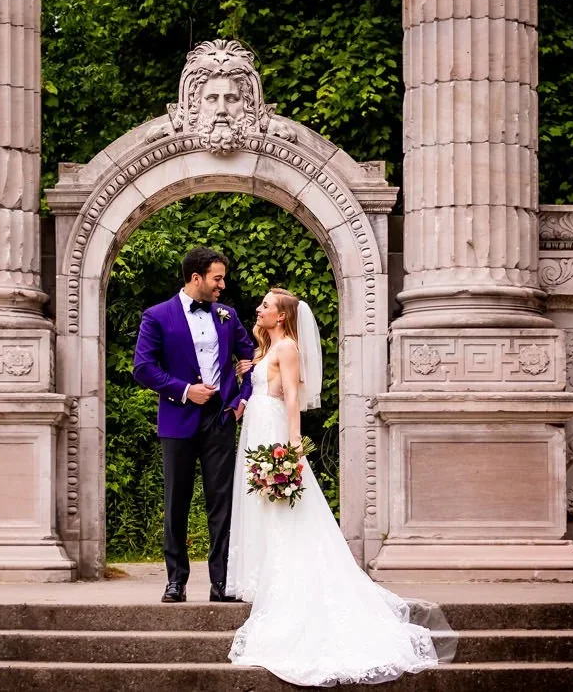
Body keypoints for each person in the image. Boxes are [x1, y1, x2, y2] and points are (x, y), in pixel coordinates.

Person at [227, 288, 451, 686]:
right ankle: (264, 574)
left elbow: (293, 397)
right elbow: (269, 387)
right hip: (256, 427)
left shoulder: (289, 348)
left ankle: (285, 582)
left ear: (281, 316)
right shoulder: (267, 349)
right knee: (262, 504)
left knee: (283, 506)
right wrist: (250, 371)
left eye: (266, 306)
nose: (258, 309)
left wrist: (293, 446)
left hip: (274, 431)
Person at [131, 245, 258, 603]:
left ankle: (222, 583)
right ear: (196, 277)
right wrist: (185, 390)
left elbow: (251, 355)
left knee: (222, 501)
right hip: (177, 418)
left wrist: (241, 399)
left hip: (220, 418)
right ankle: (176, 580)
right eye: (217, 279)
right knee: (177, 501)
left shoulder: (227, 315)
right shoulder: (157, 316)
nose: (221, 285)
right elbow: (143, 368)